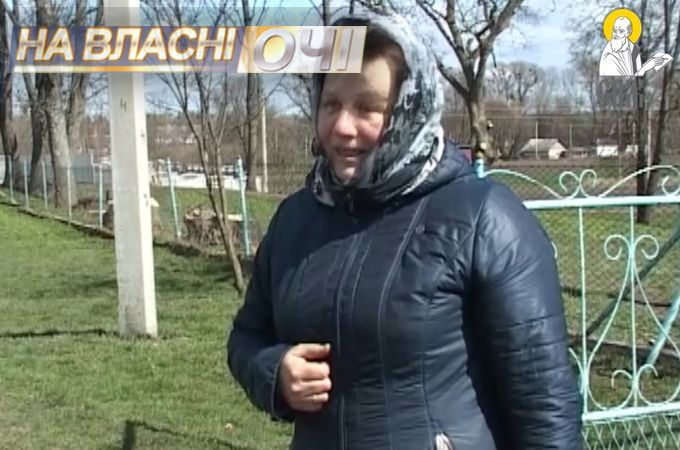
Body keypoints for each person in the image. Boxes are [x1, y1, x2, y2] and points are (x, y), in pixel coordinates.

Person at [227, 14, 583, 450]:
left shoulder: (483, 217)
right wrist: (275, 372)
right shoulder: (295, 219)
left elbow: (545, 408)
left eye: (367, 108)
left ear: (410, 109)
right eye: (331, 103)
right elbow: (246, 338)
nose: (342, 126)